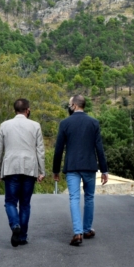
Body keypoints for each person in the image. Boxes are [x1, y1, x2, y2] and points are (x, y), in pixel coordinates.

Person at [53, 94, 108, 246]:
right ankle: (87, 229)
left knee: (74, 198)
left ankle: (77, 233)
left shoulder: (65, 123)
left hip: (72, 167)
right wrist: (104, 170)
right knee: (89, 197)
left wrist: (55, 170)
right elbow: (99, 148)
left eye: (70, 104)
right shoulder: (93, 123)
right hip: (89, 166)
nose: (69, 107)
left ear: (75, 106)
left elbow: (58, 149)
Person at [0, 98, 45, 247]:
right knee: (25, 204)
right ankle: (22, 236)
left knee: (10, 202)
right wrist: (42, 171)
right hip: (29, 168)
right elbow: (40, 151)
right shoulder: (35, 126)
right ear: (27, 110)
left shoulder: (4, 125)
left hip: (11, 168)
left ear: (14, 110)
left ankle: (15, 225)